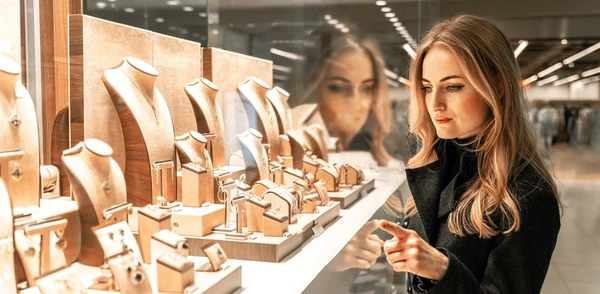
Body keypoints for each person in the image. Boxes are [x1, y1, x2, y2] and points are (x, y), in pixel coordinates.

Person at [378, 14, 561, 293]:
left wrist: (442, 270)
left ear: (498, 86)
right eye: (427, 88)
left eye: (453, 87)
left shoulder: (527, 192)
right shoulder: (435, 163)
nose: (434, 103)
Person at [299, 32, 400, 166]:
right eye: (338, 88)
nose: (356, 104)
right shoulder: (297, 148)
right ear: (315, 89)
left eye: (367, 88)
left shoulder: (385, 160)